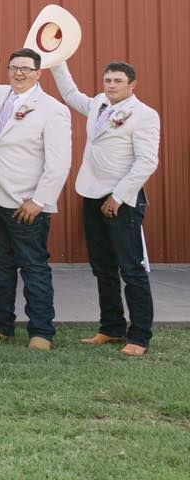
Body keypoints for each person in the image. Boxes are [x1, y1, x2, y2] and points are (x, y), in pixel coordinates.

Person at [50, 59, 161, 356]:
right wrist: (56, 62)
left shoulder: (145, 115)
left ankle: (139, 337)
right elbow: (72, 95)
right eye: (108, 80)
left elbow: (147, 161)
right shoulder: (99, 104)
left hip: (122, 199)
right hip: (91, 193)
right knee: (102, 267)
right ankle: (111, 328)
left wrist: (120, 195)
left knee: (131, 268)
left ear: (132, 85)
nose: (110, 85)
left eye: (117, 81)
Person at [0, 48, 71, 351]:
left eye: (26, 69)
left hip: (25, 201)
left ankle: (42, 331)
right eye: (13, 67)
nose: (18, 73)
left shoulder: (52, 109)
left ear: (38, 73)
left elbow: (59, 162)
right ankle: (1, 324)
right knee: (0, 263)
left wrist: (39, 200)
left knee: (33, 265)